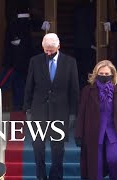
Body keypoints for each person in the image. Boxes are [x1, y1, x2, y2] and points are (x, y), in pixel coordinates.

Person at [74, 60, 117, 180]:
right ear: (96, 74)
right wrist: (78, 134)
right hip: (94, 133)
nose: (104, 76)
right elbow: (81, 113)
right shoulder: (87, 91)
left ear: (113, 75)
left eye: (107, 74)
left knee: (114, 159)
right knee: (96, 166)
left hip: (113, 132)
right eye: (101, 73)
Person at [23, 33, 79, 180]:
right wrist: (27, 108)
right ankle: (41, 176)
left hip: (61, 110)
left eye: (51, 50)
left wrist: (74, 112)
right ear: (43, 47)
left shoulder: (70, 62)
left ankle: (56, 176)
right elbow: (29, 85)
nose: (48, 53)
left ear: (59, 47)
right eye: (46, 50)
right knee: (38, 147)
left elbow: (74, 89)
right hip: (38, 109)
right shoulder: (34, 61)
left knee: (58, 148)